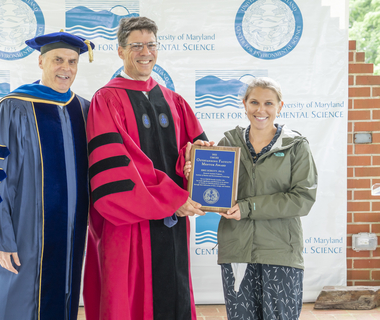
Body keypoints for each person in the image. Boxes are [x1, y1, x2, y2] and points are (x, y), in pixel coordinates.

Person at [83, 16, 212, 320]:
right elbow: (118, 163)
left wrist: (194, 165)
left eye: (151, 45)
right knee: (127, 297)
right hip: (129, 221)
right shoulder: (106, 99)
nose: (145, 52)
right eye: (137, 45)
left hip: (173, 222)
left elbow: (192, 151)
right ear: (120, 51)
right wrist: (172, 199)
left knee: (174, 288)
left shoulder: (174, 100)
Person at [0, 31, 95, 320]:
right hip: (23, 230)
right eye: (58, 60)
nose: (66, 68)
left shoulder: (84, 110)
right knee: (12, 303)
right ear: (41, 62)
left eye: (73, 61)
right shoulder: (14, 107)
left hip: (70, 234)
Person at [184, 77, 318, 320]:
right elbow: (219, 196)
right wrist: (196, 175)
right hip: (237, 250)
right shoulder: (228, 143)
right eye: (254, 102)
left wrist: (248, 207)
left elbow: (302, 198)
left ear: (280, 106)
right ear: (244, 104)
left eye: (268, 103)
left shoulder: (296, 146)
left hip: (280, 252)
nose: (261, 109)